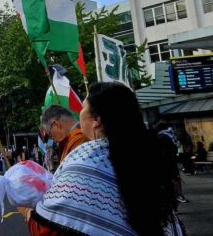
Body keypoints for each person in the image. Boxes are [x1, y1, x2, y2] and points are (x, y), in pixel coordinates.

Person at [22, 82, 179, 236]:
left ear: (96, 120)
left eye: (83, 107)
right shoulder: (145, 154)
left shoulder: (87, 160)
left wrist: (27, 212)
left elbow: (48, 228)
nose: (79, 113)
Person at [154, 121, 187, 204]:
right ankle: (179, 194)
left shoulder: (161, 137)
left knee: (170, 180)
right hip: (172, 160)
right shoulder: (170, 136)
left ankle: (176, 195)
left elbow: (161, 152)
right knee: (175, 178)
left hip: (166, 162)